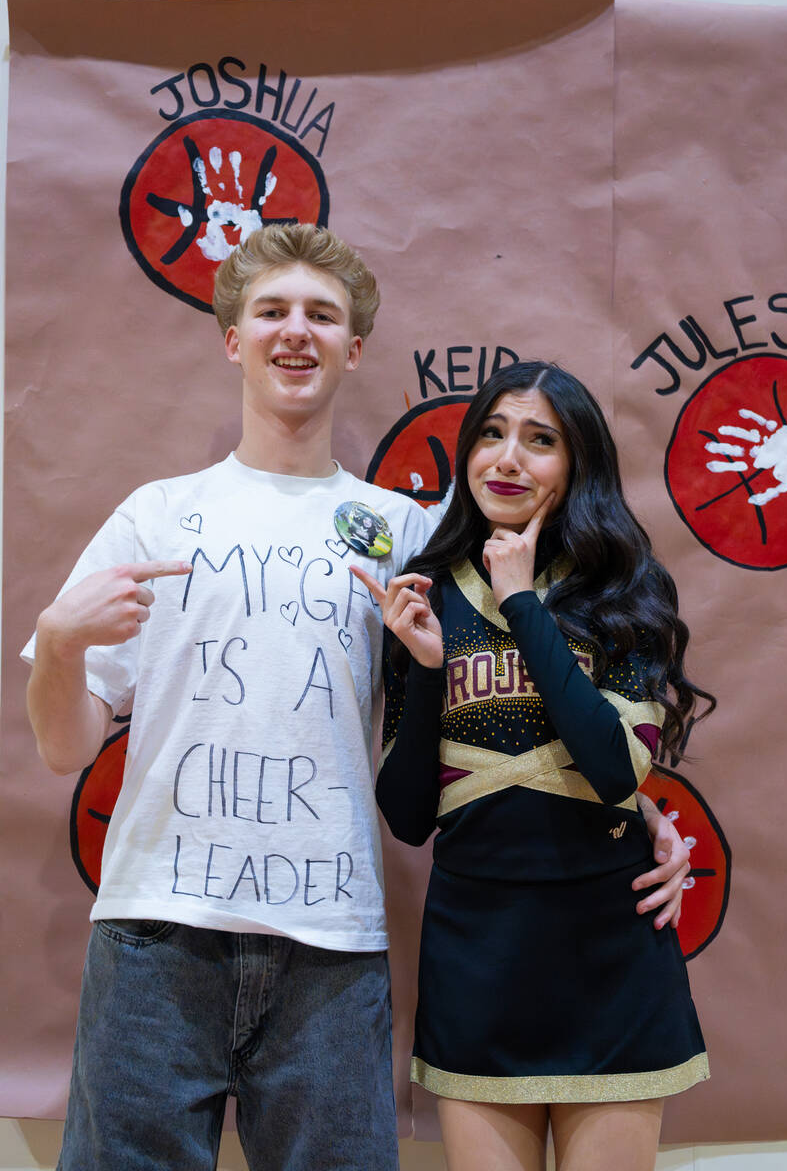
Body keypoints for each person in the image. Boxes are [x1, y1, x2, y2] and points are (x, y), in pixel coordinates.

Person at [23, 226, 689, 1171]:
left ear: (354, 347)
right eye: (273, 312)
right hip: (154, 931)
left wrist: (646, 811)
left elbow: (535, 691)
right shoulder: (156, 514)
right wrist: (55, 643)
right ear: (232, 339)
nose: (297, 332)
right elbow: (63, 744)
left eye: (322, 316)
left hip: (331, 946)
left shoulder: (410, 533)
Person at [353, 360, 713, 1171]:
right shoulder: (428, 594)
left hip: (608, 948)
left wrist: (520, 599)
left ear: (578, 461)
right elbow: (409, 817)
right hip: (476, 951)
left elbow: (617, 770)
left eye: (539, 439)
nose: (507, 458)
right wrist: (431, 667)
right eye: (491, 433)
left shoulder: (626, 589)